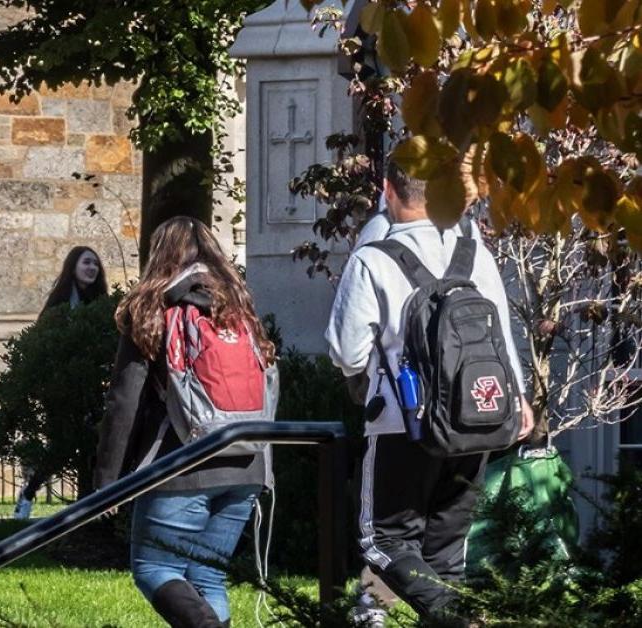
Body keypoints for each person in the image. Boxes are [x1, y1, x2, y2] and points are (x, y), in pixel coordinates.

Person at [326, 160, 532, 622]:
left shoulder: (375, 256)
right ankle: (455, 610)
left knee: (381, 539)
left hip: (405, 421)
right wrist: (516, 399)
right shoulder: (473, 251)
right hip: (477, 417)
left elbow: (345, 350)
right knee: (445, 554)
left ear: (387, 191)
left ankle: (460, 618)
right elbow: (501, 331)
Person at [94, 216, 275, 627]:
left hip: (182, 464)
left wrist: (107, 481)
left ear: (159, 256)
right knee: (207, 576)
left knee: (154, 568)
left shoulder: (153, 308)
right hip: (248, 461)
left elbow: (124, 402)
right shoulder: (239, 306)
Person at [16, 245, 108, 519]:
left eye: (95, 263)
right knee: (61, 446)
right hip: (62, 386)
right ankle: (29, 493)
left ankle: (91, 502)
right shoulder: (59, 304)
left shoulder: (101, 302)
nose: (92, 268)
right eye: (86, 263)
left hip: (92, 385)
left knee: (96, 442)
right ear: (73, 267)